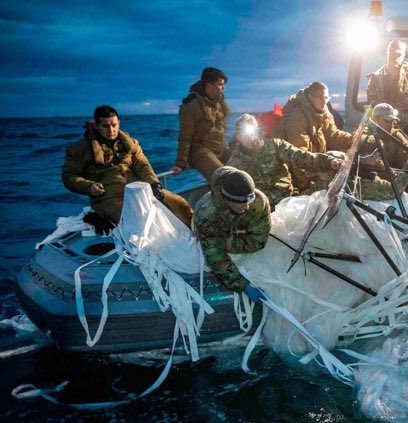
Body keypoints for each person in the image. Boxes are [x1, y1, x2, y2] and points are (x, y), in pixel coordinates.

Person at [62, 105, 193, 232]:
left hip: (138, 189)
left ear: (118, 122)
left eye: (114, 125)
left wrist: (154, 185)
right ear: (96, 126)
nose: (111, 130)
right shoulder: (79, 149)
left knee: (180, 204)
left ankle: (199, 235)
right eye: (105, 126)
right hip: (107, 197)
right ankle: (99, 216)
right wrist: (89, 186)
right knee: (136, 219)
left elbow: (143, 165)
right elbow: (69, 176)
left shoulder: (131, 143)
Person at [227, 114, 342, 207]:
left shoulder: (275, 146)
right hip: (260, 209)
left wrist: (327, 161)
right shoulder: (235, 161)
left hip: (287, 200)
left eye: (250, 132)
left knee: (330, 173)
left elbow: (301, 157)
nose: (247, 138)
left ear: (256, 131)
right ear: (237, 136)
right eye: (242, 133)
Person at [193, 166, 271, 300]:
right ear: (227, 199)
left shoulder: (259, 202)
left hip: (230, 236)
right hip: (213, 234)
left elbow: (259, 240)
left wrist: (229, 243)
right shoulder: (206, 213)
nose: (246, 207)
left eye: (249, 200)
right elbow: (216, 257)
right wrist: (243, 285)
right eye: (240, 203)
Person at [273, 81, 354, 191]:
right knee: (334, 165)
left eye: (326, 97)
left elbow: (333, 135)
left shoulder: (323, 112)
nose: (324, 101)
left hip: (315, 163)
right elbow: (298, 157)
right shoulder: (296, 118)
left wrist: (355, 139)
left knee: (343, 160)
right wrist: (306, 188)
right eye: (320, 97)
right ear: (310, 97)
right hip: (299, 173)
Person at [172, 67, 231, 180]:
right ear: (209, 85)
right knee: (225, 177)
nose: (223, 88)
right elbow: (185, 135)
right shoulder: (192, 105)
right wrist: (180, 163)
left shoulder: (220, 103)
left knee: (245, 168)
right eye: (220, 84)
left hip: (220, 150)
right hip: (200, 152)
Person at [354, 103, 408, 200]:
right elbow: (378, 168)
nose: (390, 125)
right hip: (374, 180)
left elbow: (405, 157)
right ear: (375, 120)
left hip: (392, 176)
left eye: (392, 121)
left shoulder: (395, 136)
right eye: (386, 121)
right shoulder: (366, 139)